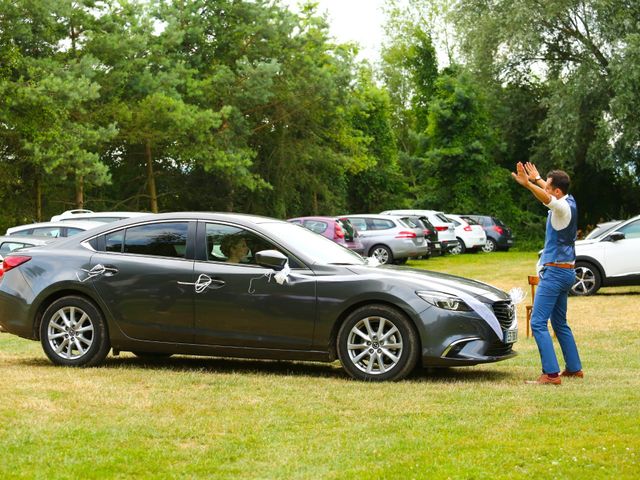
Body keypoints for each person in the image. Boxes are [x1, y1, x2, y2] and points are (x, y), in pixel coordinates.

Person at [511, 162, 583, 385]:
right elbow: (551, 194)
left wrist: (528, 185)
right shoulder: (569, 201)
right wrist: (539, 179)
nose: (545, 189)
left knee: (538, 322)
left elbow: (547, 198)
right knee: (560, 323)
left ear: (557, 191)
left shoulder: (560, 207)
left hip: (554, 273)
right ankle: (574, 368)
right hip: (567, 272)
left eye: (548, 187)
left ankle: (550, 374)